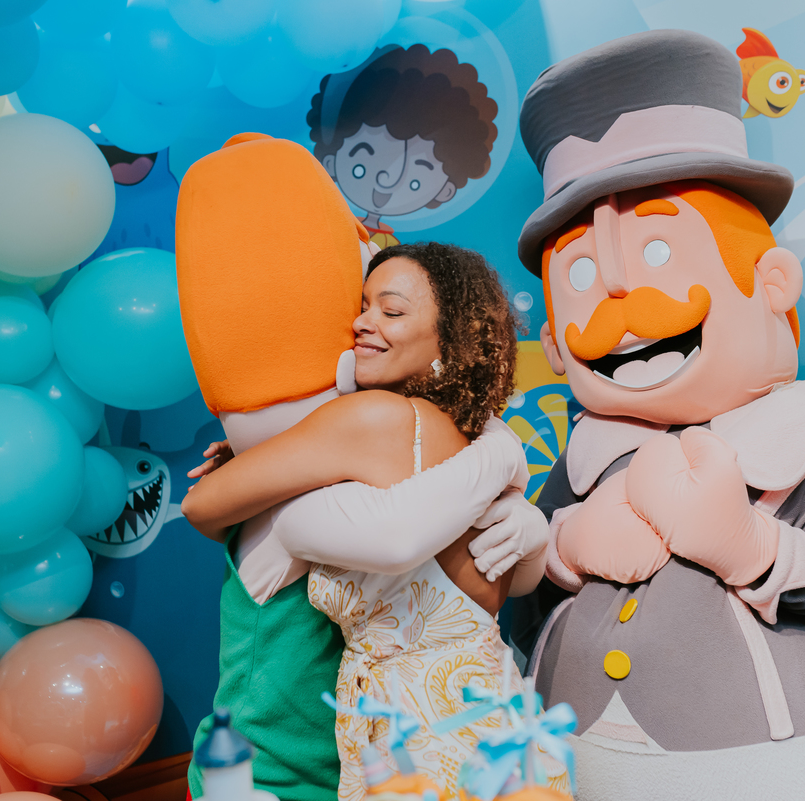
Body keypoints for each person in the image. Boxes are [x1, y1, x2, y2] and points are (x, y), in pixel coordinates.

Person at [512, 30, 805, 800]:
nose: (618, 317)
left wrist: (755, 548)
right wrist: (564, 543)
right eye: (583, 276)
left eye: (659, 255)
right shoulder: (586, 456)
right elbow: (518, 584)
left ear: (771, 283)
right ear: (556, 344)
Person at [174, 135, 548, 801]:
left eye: (391, 310)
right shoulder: (448, 434)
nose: (361, 323)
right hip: (434, 736)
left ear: (448, 340)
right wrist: (501, 453)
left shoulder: (373, 422)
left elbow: (207, 508)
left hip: (388, 749)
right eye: (363, 301)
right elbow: (497, 583)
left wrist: (501, 462)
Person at [307, 45, 499, 248]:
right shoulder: (326, 231)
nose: (385, 183)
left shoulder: (390, 248)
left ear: (446, 191)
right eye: (359, 168)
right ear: (329, 162)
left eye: (415, 182)